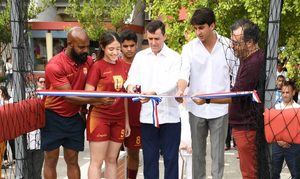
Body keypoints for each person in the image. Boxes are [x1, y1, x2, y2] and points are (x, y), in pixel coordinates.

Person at [42, 27, 112, 179]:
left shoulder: (87, 61)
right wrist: (98, 100)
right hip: (53, 116)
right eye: (81, 47)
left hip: (74, 117)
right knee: (51, 159)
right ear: (69, 44)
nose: (86, 50)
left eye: (87, 46)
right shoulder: (55, 65)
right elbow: (69, 96)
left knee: (73, 159)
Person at [177, 8, 235, 179]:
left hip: (220, 109)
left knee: (218, 157)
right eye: (195, 28)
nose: (198, 32)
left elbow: (236, 75)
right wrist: (181, 89)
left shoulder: (227, 45)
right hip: (196, 109)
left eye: (201, 27)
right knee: (197, 156)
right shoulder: (189, 48)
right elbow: (183, 74)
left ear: (212, 25)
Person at [124, 20, 182, 179]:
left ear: (164, 36)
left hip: (170, 117)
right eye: (150, 39)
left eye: (157, 38)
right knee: (149, 159)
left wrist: (154, 92)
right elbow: (130, 79)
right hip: (147, 117)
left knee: (171, 159)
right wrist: (130, 87)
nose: (153, 42)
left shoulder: (175, 57)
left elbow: (173, 82)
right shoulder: (140, 57)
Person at [85, 31, 130, 179]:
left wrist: (126, 122)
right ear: (103, 47)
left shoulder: (124, 65)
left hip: (119, 119)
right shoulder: (97, 66)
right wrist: (101, 100)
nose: (116, 52)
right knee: (97, 162)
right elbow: (88, 93)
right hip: (100, 118)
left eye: (118, 49)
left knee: (112, 160)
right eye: (111, 49)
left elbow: (124, 96)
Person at [229, 19, 264, 179]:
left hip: (247, 126)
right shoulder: (248, 59)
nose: (232, 46)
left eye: (236, 42)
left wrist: (207, 98)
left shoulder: (254, 63)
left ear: (249, 42)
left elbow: (237, 94)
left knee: (250, 173)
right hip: (244, 125)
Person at [120, 29, 141, 179]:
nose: (129, 49)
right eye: (125, 46)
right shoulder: (115, 64)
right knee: (112, 155)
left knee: (133, 153)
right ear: (121, 46)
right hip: (116, 118)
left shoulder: (143, 64)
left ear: (136, 45)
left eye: (131, 45)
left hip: (137, 118)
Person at [272, 81, 300, 179]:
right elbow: (273, 128)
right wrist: (278, 140)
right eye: (283, 92)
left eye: (287, 92)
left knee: (296, 174)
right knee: (274, 174)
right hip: (277, 145)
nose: (284, 95)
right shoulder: (276, 107)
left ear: (293, 93)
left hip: (294, 146)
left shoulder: (298, 109)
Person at [26, 76, 45, 179]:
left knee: (37, 172)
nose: (43, 84)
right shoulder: (31, 96)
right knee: (28, 171)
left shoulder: (47, 97)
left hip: (39, 141)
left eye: (45, 82)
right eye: (41, 82)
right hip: (28, 142)